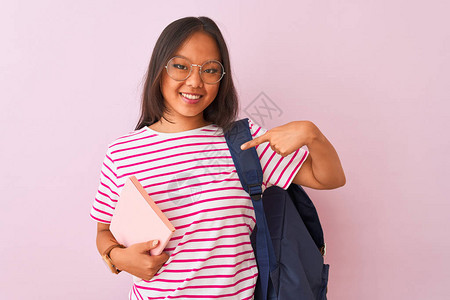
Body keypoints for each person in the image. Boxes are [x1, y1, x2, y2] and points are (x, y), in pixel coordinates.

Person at [90, 16, 346, 299]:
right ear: (159, 70)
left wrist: (312, 135)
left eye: (210, 70)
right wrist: (116, 258)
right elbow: (104, 231)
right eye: (180, 66)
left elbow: (329, 178)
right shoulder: (122, 152)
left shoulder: (244, 142)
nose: (195, 82)